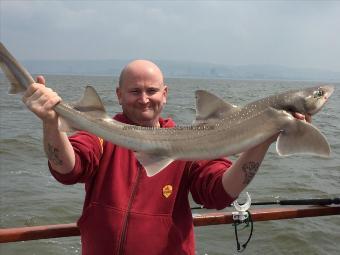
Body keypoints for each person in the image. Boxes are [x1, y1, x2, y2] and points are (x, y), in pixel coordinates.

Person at [23, 60, 310, 255]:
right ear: (119, 95)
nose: (144, 99)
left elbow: (218, 193)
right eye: (135, 91)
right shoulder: (102, 135)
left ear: (165, 94)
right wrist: (50, 123)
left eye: (151, 91)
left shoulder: (190, 144)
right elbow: (68, 169)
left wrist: (260, 139)